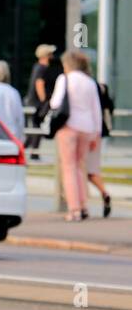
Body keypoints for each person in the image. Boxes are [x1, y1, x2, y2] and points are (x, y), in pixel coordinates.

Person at [50, 49, 103, 222]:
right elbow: (97, 110)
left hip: (69, 126)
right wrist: (96, 134)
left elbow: (55, 103)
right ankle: (83, 205)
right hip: (87, 128)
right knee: (81, 167)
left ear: (68, 64)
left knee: (68, 168)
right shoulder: (90, 82)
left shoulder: (64, 79)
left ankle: (74, 209)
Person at [24, 43, 60, 159]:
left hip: (34, 102)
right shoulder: (43, 68)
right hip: (37, 103)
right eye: (50, 54)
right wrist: (44, 101)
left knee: (34, 128)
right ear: (46, 55)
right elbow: (39, 84)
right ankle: (33, 152)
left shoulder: (38, 67)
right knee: (36, 128)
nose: (52, 56)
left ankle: (26, 149)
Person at [88, 78, 115, 217]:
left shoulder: (88, 87)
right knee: (92, 169)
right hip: (97, 134)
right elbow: (110, 107)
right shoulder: (100, 87)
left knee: (81, 170)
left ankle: (77, 205)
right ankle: (104, 193)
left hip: (87, 131)